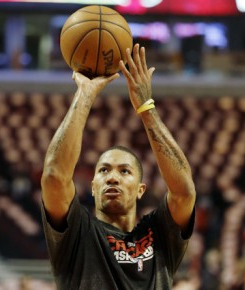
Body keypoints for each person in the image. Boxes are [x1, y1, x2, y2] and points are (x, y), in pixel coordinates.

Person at [41, 43, 196, 289]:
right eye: (103, 170)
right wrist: (85, 93)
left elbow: (184, 192)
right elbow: (53, 177)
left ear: (141, 189)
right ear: (92, 187)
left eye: (125, 171)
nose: (112, 178)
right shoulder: (78, 234)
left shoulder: (158, 235)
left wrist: (146, 108)